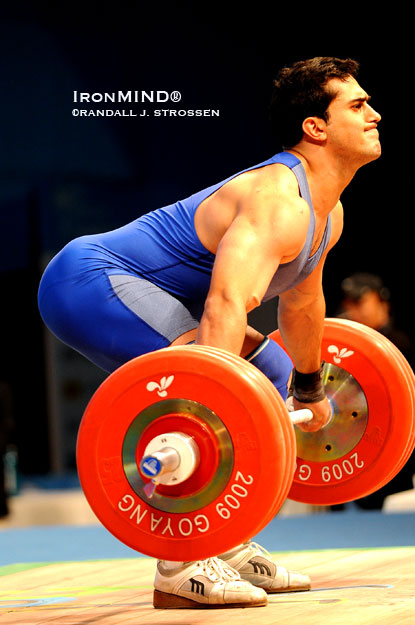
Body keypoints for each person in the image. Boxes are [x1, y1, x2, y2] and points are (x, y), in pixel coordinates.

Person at [38, 56, 382, 609]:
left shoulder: (327, 212)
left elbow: (301, 303)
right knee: (215, 394)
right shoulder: (277, 200)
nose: (376, 115)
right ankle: (181, 561)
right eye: (359, 106)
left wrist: (311, 386)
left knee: (272, 378)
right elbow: (227, 305)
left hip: (158, 297)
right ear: (315, 127)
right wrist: (207, 417)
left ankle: (225, 539)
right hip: (90, 282)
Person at [333, 272, 415, 511]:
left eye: (359, 302)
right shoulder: (344, 345)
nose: (352, 309)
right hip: (355, 440)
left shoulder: (401, 343)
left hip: (396, 442)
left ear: (382, 302)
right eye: (348, 304)